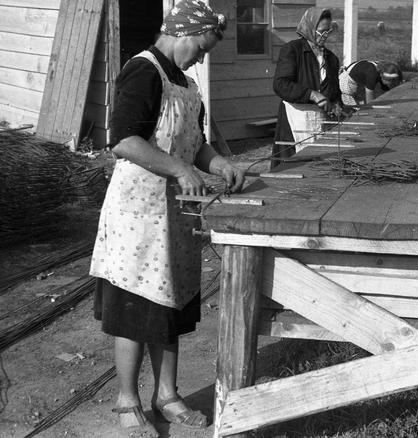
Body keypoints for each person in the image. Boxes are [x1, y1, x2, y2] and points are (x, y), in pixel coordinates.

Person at [89, 2, 243, 437]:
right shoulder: (143, 71)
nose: (201, 57)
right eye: (201, 47)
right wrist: (179, 170)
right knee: (135, 308)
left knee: (170, 303)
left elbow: (197, 146)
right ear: (181, 33)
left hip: (175, 216)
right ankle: (127, 401)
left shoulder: (188, 86)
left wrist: (218, 166)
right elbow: (123, 141)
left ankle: (167, 395)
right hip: (137, 217)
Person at [272, 7, 342, 168]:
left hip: (320, 120)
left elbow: (335, 91)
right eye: (322, 31)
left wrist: (337, 104)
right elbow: (281, 84)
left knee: (317, 163)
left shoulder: (331, 59)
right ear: (310, 28)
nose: (325, 35)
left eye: (328, 31)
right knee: (293, 166)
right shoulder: (292, 50)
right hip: (295, 118)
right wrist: (313, 95)